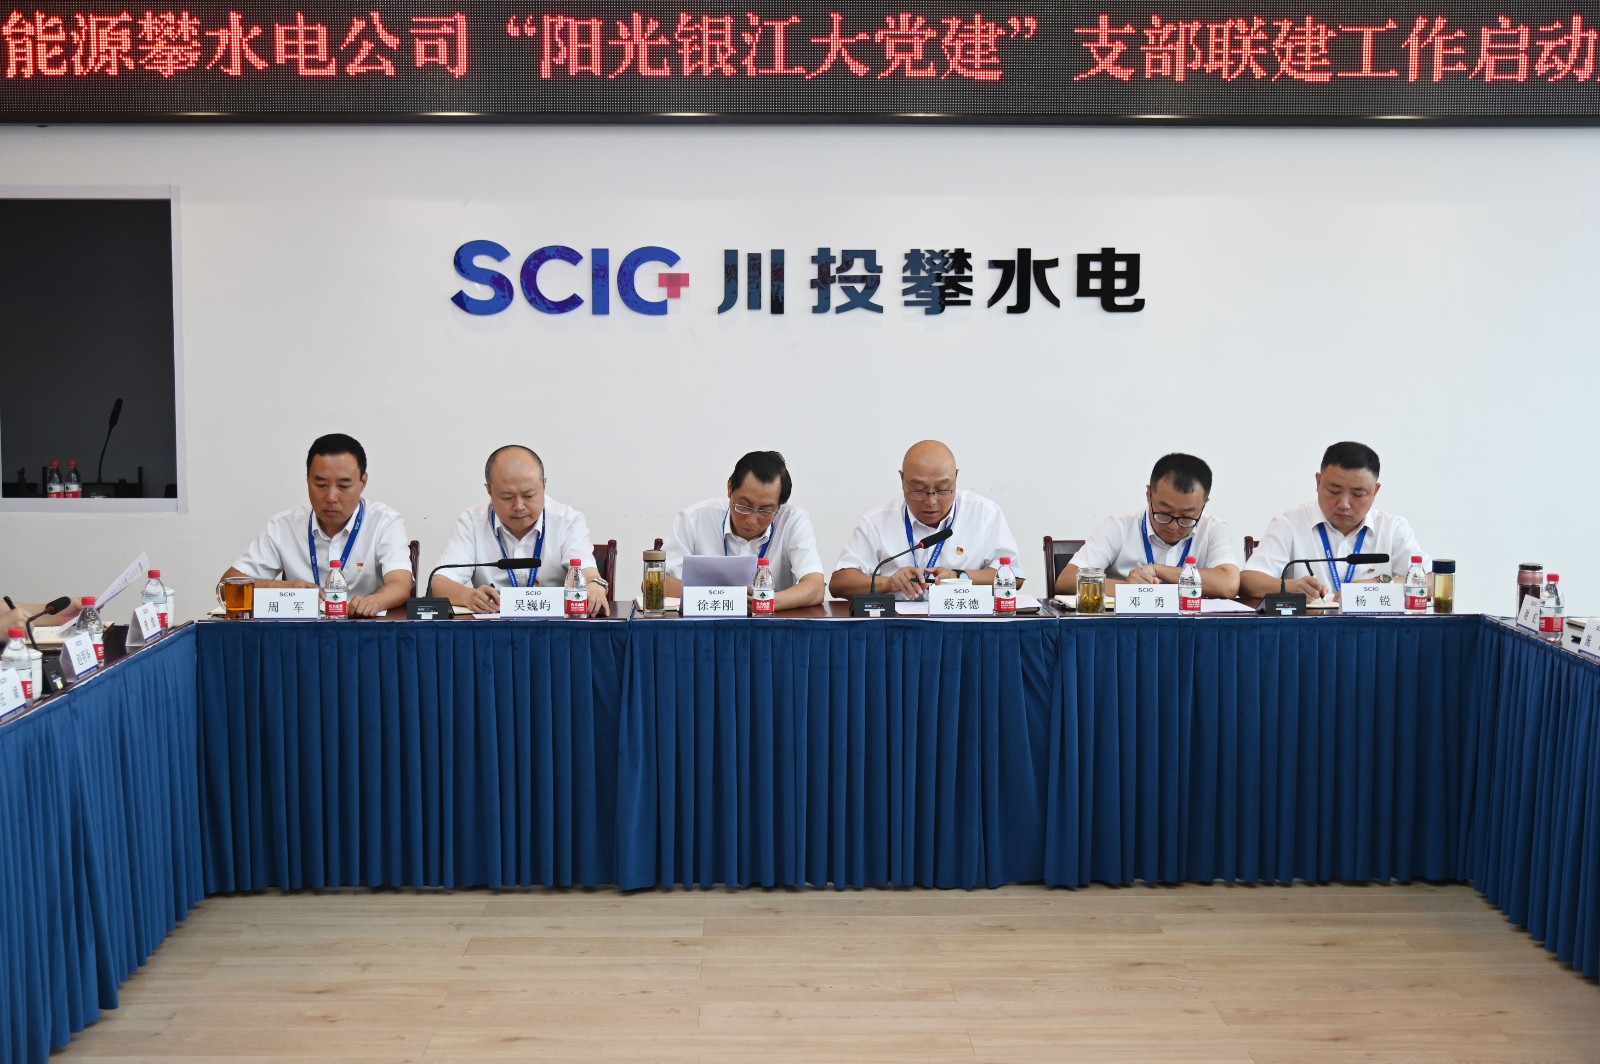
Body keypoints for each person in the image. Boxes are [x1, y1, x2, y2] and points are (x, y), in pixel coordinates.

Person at [222, 433, 413, 617]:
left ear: (363, 482)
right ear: (307, 480)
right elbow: (227, 586)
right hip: (301, 633)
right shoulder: (284, 526)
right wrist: (282, 587)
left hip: (365, 630)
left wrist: (373, 602)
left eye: (343, 486)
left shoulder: (384, 522)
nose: (331, 497)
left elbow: (400, 584)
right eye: (321, 485)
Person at [830, 440, 1024, 601]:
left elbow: (1014, 576)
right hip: (898, 627)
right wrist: (888, 583)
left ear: (956, 477)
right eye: (919, 490)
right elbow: (839, 584)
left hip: (964, 624)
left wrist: (960, 576)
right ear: (902, 479)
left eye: (942, 489)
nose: (931, 501)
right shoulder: (876, 521)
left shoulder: (984, 514)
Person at [1240, 441, 1430, 603]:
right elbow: (1248, 581)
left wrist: (1379, 584)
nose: (1344, 504)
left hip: (1373, 629)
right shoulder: (1289, 523)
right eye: (1334, 491)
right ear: (1318, 482)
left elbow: (1431, 581)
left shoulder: (1393, 528)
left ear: (1375, 492)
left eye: (1358, 494)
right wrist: (1291, 587)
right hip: (1307, 629)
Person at [430, 445, 609, 617]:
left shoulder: (567, 521)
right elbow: (440, 582)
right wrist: (468, 596)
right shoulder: (472, 522)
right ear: (489, 490)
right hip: (492, 628)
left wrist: (594, 584)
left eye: (529, 495)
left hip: (554, 628)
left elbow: (587, 572)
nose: (519, 506)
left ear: (544, 485)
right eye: (507, 497)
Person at [1056, 452, 1240, 599]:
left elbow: (1229, 585)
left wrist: (1159, 570)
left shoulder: (1212, 528)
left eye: (1187, 517)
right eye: (1164, 513)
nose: (1174, 526)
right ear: (1149, 495)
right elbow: (1066, 580)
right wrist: (1129, 588)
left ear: (1204, 505)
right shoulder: (1119, 526)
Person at [663, 450, 825, 610]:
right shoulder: (694, 518)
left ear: (779, 505)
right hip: (704, 622)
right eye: (744, 506)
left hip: (768, 622)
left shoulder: (793, 520)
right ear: (729, 488)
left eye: (765, 510)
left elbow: (815, 587)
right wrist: (727, 598)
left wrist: (764, 602)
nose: (751, 520)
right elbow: (661, 582)